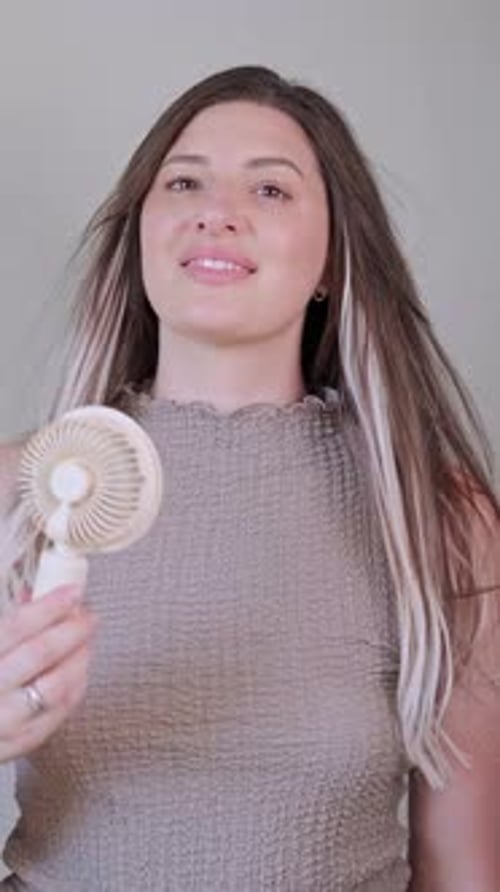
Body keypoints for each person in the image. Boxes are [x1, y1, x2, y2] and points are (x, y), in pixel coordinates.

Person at [0, 65, 498, 891]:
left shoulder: (437, 519)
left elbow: (465, 871)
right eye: (184, 180)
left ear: (336, 259)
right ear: (141, 237)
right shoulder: (22, 491)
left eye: (270, 191)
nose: (216, 212)